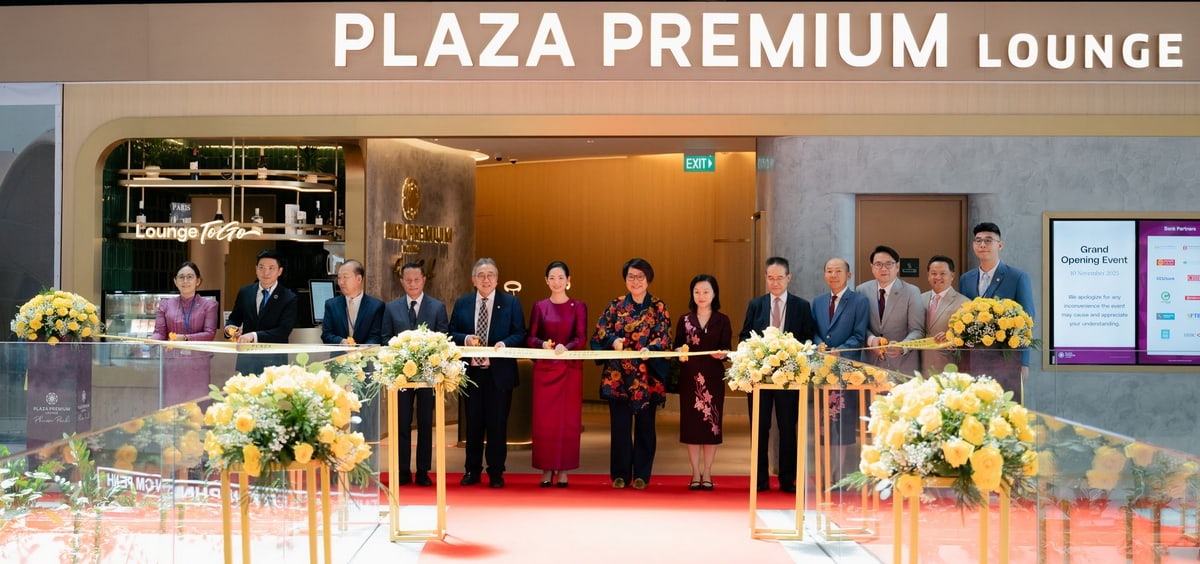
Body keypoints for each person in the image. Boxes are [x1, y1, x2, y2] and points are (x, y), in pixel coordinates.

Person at [590, 258, 672, 490]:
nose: (635, 281)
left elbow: (664, 336)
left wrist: (653, 348)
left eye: (640, 277)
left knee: (646, 427)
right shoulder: (615, 305)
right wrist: (612, 339)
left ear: (648, 279)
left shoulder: (658, 306)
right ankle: (620, 474)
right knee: (620, 428)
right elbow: (599, 333)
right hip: (618, 378)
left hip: (647, 378)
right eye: (631, 277)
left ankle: (642, 475)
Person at [738, 257, 816, 493]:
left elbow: (808, 339)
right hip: (759, 378)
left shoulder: (801, 306)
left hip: (789, 378)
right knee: (759, 428)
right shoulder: (756, 305)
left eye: (779, 278)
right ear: (765, 278)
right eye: (770, 278)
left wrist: (789, 354)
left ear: (788, 278)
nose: (775, 283)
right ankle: (760, 480)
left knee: (787, 428)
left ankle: (787, 479)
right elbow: (743, 337)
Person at [449, 258, 526, 489]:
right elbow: (451, 332)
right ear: (473, 279)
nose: (486, 279)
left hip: (498, 374)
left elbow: (520, 332)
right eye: (481, 275)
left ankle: (496, 473)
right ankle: (472, 471)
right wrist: (465, 338)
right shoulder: (462, 303)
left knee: (497, 425)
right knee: (473, 426)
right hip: (471, 374)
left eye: (490, 275)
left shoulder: (511, 303)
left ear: (497, 279)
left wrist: (504, 343)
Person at [381, 262, 449, 487]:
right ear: (401, 282)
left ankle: (422, 470)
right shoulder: (391, 308)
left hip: (428, 377)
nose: (412, 284)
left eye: (416, 280)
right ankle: (402, 470)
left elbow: (443, 341)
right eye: (408, 280)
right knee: (401, 423)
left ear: (424, 280)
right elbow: (385, 339)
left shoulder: (437, 307)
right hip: (400, 377)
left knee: (425, 423)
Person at [526, 261, 588, 488]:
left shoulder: (578, 306)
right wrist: (543, 344)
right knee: (545, 422)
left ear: (568, 280)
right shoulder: (540, 306)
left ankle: (563, 470)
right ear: (546, 281)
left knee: (567, 422)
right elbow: (530, 337)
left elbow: (581, 338)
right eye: (552, 277)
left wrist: (567, 348)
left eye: (561, 277)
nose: (557, 282)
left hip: (569, 371)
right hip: (545, 371)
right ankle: (546, 468)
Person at [959, 221, 1037, 397]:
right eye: (978, 240)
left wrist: (1024, 363)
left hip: (1006, 360)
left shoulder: (1017, 277)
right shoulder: (966, 279)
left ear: (999, 245)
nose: (982, 245)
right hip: (973, 359)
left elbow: (1027, 321)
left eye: (988, 240)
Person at [673, 274, 732, 491]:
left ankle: (707, 471)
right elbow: (677, 345)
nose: (701, 296)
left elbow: (727, 349)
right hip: (690, 379)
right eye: (697, 291)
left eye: (706, 291)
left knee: (711, 426)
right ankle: (694, 472)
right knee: (692, 427)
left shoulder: (722, 319)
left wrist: (722, 354)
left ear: (714, 293)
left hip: (713, 378)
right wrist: (679, 351)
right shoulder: (685, 320)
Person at [811, 258, 870, 468]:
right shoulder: (818, 301)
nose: (833, 275)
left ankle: (839, 471)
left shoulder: (859, 302)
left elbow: (859, 335)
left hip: (846, 370)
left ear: (849, 275)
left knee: (843, 421)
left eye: (838, 271)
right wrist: (819, 345)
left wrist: (840, 351)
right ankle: (825, 470)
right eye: (829, 271)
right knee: (823, 421)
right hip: (823, 370)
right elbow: (815, 331)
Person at [150, 261, 220, 406]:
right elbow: (159, 332)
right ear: (175, 281)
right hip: (172, 365)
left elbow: (209, 334)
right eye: (181, 277)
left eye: (190, 277)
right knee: (172, 409)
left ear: (198, 281)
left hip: (198, 364)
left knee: (198, 408)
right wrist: (151, 340)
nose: (185, 281)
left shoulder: (209, 305)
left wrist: (186, 338)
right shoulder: (165, 304)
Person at [223, 249, 297, 376]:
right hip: (247, 361)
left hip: (274, 363)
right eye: (261, 267)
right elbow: (234, 318)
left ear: (279, 271)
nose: (265, 272)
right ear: (256, 269)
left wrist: (253, 336)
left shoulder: (289, 297)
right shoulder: (245, 292)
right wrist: (229, 328)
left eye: (271, 268)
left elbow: (283, 331)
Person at [855, 245, 924, 375]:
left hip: (902, 364)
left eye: (889, 264)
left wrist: (902, 346)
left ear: (897, 266)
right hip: (870, 365)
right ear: (872, 267)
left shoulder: (911, 291)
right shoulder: (861, 290)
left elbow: (917, 330)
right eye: (878, 264)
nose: (884, 269)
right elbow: (859, 326)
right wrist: (871, 340)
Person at [921, 255, 970, 375]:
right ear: (928, 276)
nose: (938, 277)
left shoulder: (965, 303)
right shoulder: (919, 299)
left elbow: (969, 339)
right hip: (917, 367)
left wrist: (952, 336)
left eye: (942, 273)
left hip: (947, 367)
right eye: (933, 273)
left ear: (952, 276)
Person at [321, 260, 385, 346]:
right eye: (339, 278)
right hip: (338, 357)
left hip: (365, 357)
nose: (341, 282)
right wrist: (341, 341)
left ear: (359, 279)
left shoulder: (376, 306)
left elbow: (375, 337)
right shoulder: (331, 305)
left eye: (345, 277)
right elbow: (326, 335)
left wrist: (360, 351)